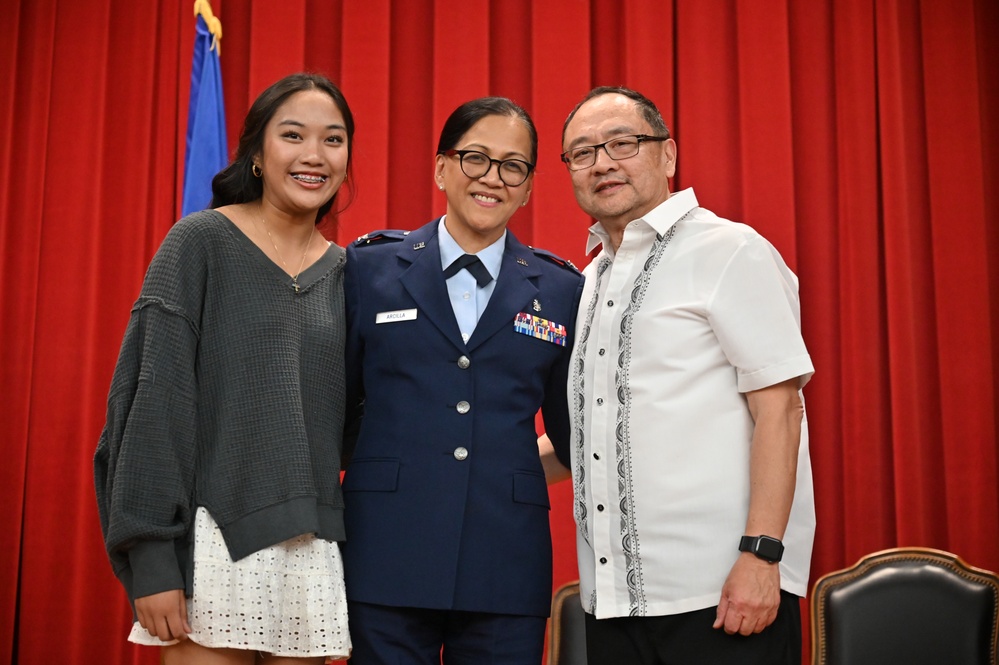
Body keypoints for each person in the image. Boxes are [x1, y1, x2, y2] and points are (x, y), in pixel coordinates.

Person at [542, 86, 816, 665]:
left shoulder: (730, 250)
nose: (603, 163)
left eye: (622, 143)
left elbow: (781, 411)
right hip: (613, 604)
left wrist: (762, 558)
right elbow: (585, 434)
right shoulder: (585, 284)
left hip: (721, 596)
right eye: (583, 152)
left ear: (667, 155)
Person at [94, 72, 355, 664]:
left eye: (333, 140)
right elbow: (149, 406)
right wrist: (152, 556)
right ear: (258, 153)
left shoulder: (351, 273)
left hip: (311, 549)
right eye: (294, 135)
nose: (314, 156)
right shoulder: (199, 243)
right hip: (210, 544)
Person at [341, 97, 584, 665]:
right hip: (386, 552)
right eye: (475, 158)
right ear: (441, 168)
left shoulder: (562, 290)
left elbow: (575, 437)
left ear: (527, 187)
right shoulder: (368, 270)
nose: (491, 178)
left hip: (506, 560)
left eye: (512, 166)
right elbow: (335, 411)